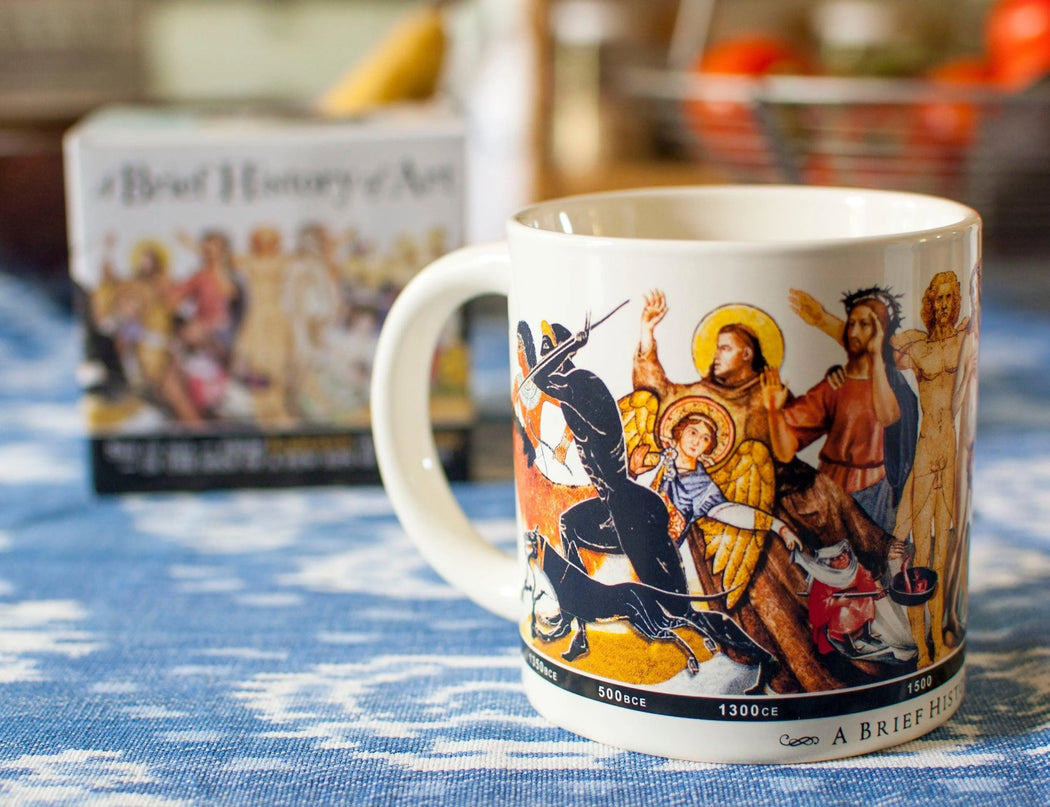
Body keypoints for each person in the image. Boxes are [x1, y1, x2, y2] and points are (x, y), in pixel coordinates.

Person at [633, 289, 907, 692]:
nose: (716, 355)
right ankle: (785, 671)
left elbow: (792, 444)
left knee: (819, 512)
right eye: (715, 347)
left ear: (747, 354)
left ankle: (841, 658)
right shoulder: (700, 395)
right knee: (763, 581)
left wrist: (790, 404)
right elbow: (656, 389)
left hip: (780, 500)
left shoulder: (768, 388)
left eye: (725, 347)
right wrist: (647, 331)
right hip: (725, 515)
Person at [528, 318, 690, 599]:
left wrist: (569, 348)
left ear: (562, 352)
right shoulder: (572, 388)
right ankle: (576, 604)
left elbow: (540, 378)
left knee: (660, 589)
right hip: (611, 498)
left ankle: (675, 608)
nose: (544, 357)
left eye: (547, 349)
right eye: (544, 351)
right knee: (568, 525)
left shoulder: (581, 383)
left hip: (620, 499)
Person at [775, 288, 919, 534]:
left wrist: (874, 353)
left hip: (875, 490)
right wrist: (772, 408)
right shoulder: (834, 385)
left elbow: (889, 418)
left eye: (864, 324)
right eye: (851, 324)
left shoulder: (892, 385)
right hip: (829, 488)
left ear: (881, 331)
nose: (853, 332)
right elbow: (788, 440)